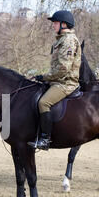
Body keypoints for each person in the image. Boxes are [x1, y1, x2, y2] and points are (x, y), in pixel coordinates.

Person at [29, 10, 81, 150]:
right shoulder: (61, 39)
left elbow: (63, 68)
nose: (53, 25)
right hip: (57, 80)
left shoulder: (69, 40)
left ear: (64, 24)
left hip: (66, 83)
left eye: (55, 23)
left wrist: (45, 77)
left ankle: (45, 139)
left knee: (43, 102)